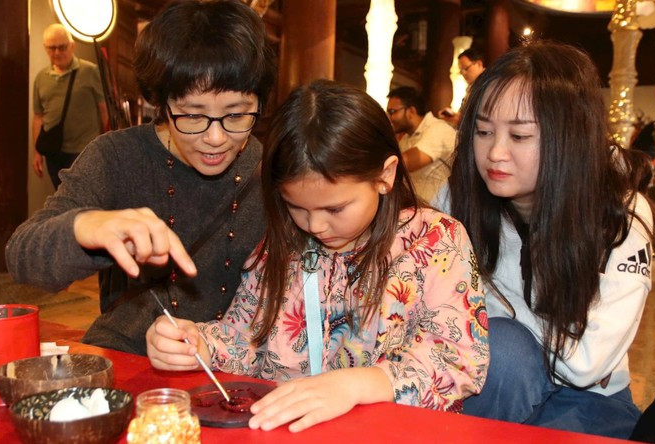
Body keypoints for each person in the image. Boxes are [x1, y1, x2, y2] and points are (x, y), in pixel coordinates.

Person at [147, 79, 489, 433]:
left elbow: (458, 361)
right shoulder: (284, 244)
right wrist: (202, 346)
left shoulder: (434, 242)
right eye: (296, 206)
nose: (316, 225)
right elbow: (244, 338)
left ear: (384, 176)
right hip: (287, 431)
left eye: (335, 208)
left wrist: (358, 385)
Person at [6, 0, 276, 355]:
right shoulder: (116, 157)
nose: (215, 137)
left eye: (237, 114)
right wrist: (86, 226)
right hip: (129, 353)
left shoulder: (269, 167)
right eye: (193, 115)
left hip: (234, 365)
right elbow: (22, 258)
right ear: (163, 104)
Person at [437, 42, 655, 438]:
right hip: (501, 380)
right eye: (484, 131)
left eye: (520, 136)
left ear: (569, 137)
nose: (495, 153)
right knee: (503, 347)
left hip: (591, 397)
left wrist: (493, 293)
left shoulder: (620, 214)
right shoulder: (458, 197)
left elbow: (588, 364)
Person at [33, 24, 108, 189]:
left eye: (62, 47)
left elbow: (104, 110)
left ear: (72, 46)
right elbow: (39, 116)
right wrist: (37, 152)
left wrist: (106, 146)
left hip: (83, 150)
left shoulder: (90, 71)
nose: (57, 53)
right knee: (60, 196)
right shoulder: (41, 78)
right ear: (45, 49)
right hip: (53, 150)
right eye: (52, 48)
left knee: (80, 196)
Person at [386, 86, 456, 202]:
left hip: (440, 214)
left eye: (393, 112)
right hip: (417, 210)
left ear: (411, 111)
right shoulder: (407, 137)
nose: (390, 118)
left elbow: (406, 163)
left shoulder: (438, 128)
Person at [438, 48, 486, 127]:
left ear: (479, 64)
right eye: (461, 70)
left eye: (466, 68)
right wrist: (455, 117)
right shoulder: (471, 87)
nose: (463, 73)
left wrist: (460, 120)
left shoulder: (488, 84)